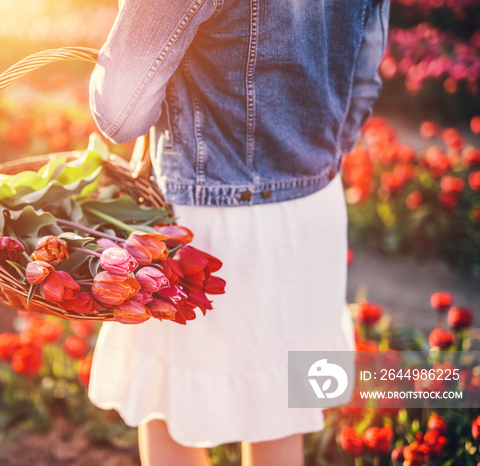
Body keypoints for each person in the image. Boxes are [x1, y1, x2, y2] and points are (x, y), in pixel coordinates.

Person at [87, 0, 390, 465]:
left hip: (206, 222)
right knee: (278, 412)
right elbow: (364, 81)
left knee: (173, 410)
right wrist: (308, 156)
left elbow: (120, 114)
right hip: (311, 213)